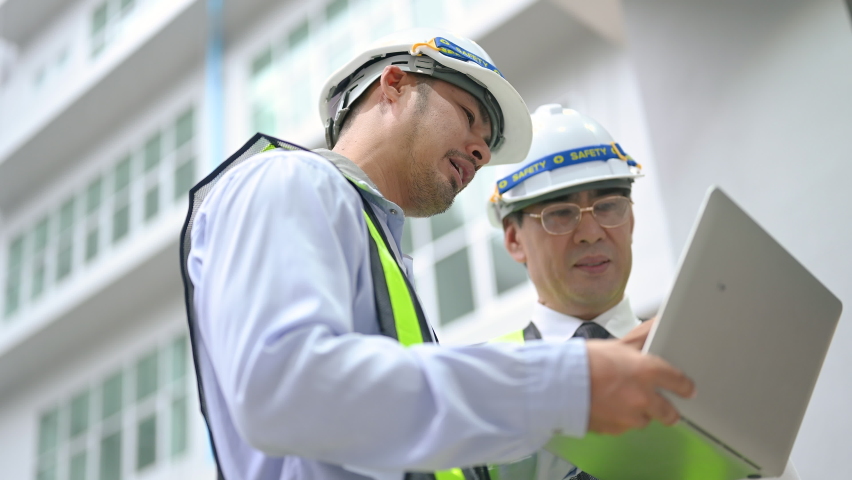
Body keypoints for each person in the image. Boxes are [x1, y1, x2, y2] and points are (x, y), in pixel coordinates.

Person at [178, 29, 695, 480]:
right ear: (394, 85)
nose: (482, 152)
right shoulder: (289, 180)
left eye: (487, 143)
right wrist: (566, 385)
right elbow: (287, 389)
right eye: (469, 116)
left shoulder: (373, 246)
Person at [487, 104, 800, 480]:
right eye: (561, 213)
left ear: (631, 219)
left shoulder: (705, 363)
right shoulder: (484, 384)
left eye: (608, 206)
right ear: (514, 239)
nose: (591, 232)